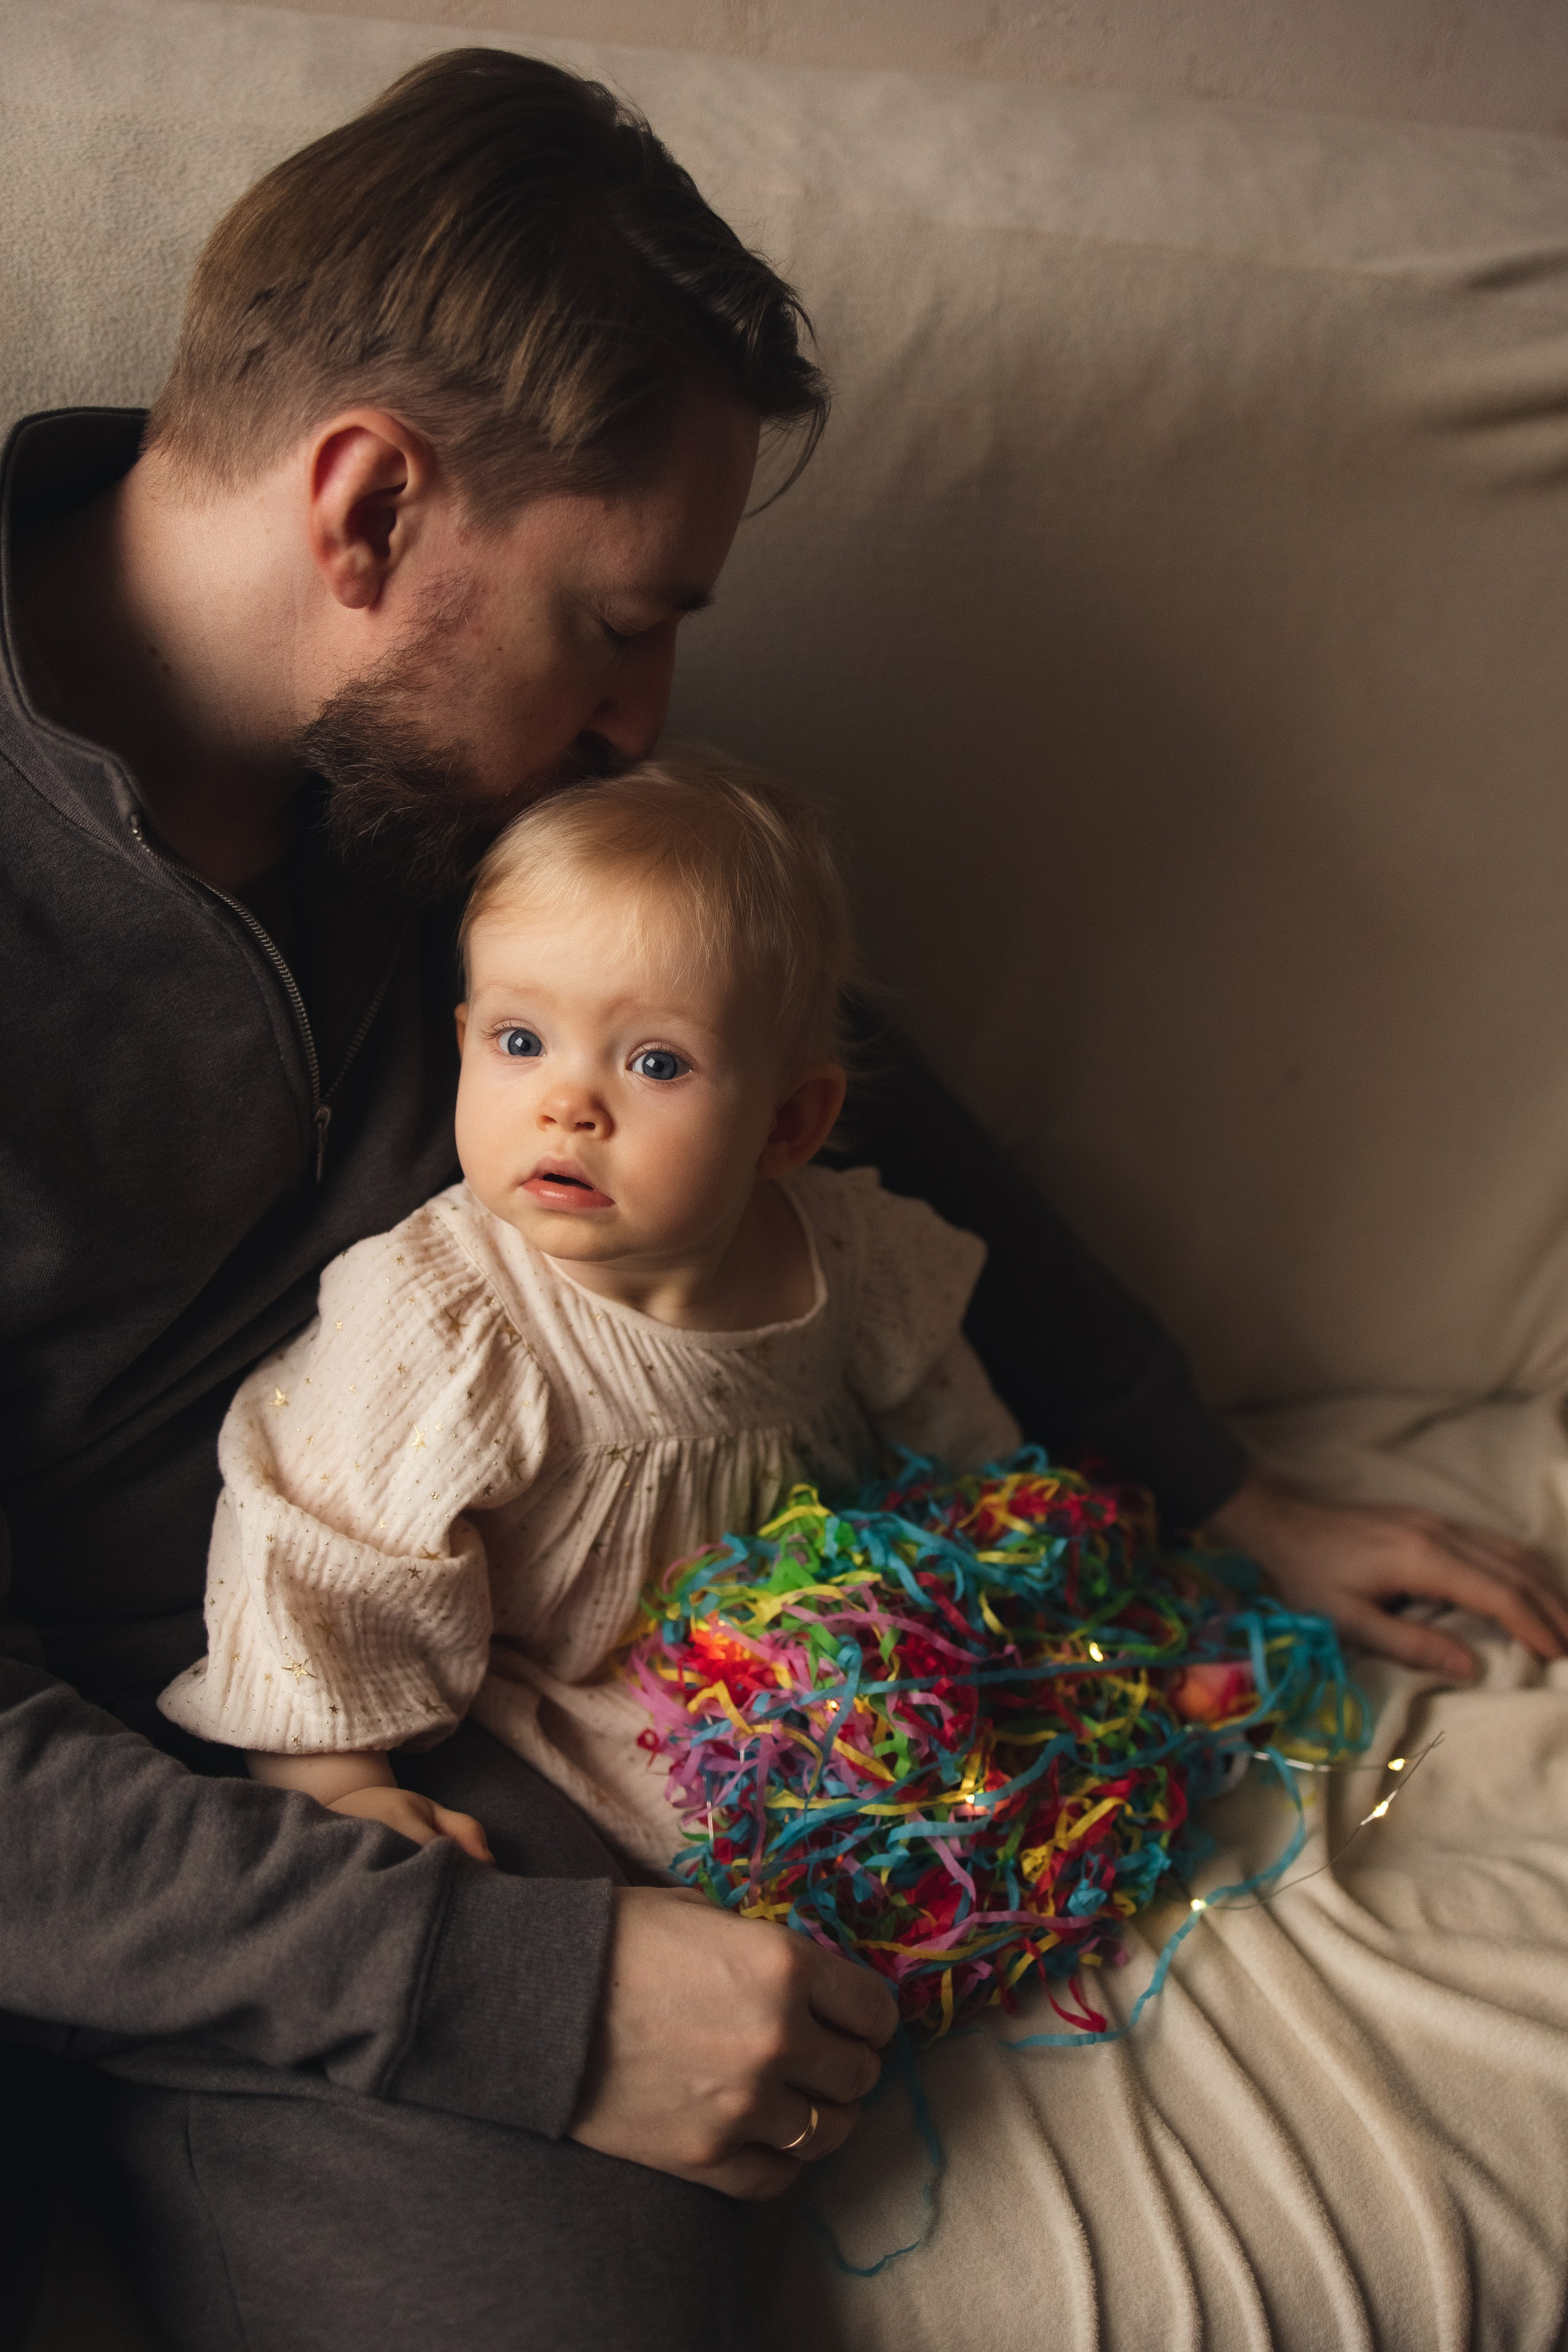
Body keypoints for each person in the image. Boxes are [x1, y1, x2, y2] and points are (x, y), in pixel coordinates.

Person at [3, 43, 1565, 2352]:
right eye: (621, 618)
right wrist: (476, 1990)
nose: (651, 710)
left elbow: (823, 1094)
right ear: (366, 514)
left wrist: (1203, 1481)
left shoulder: (452, 802)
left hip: (446, 1715)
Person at [158, 751, 1023, 1882]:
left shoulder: (847, 1252)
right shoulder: (452, 1319)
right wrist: (344, 1785)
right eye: (519, 1043)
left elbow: (955, 1436)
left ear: (786, 1124)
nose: (567, 1104)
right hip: (592, 1705)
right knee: (708, 1873)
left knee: (980, 1793)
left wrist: (1006, 1565)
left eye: (656, 1062)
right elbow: (331, 1557)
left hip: (819, 1656)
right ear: (464, 1034)